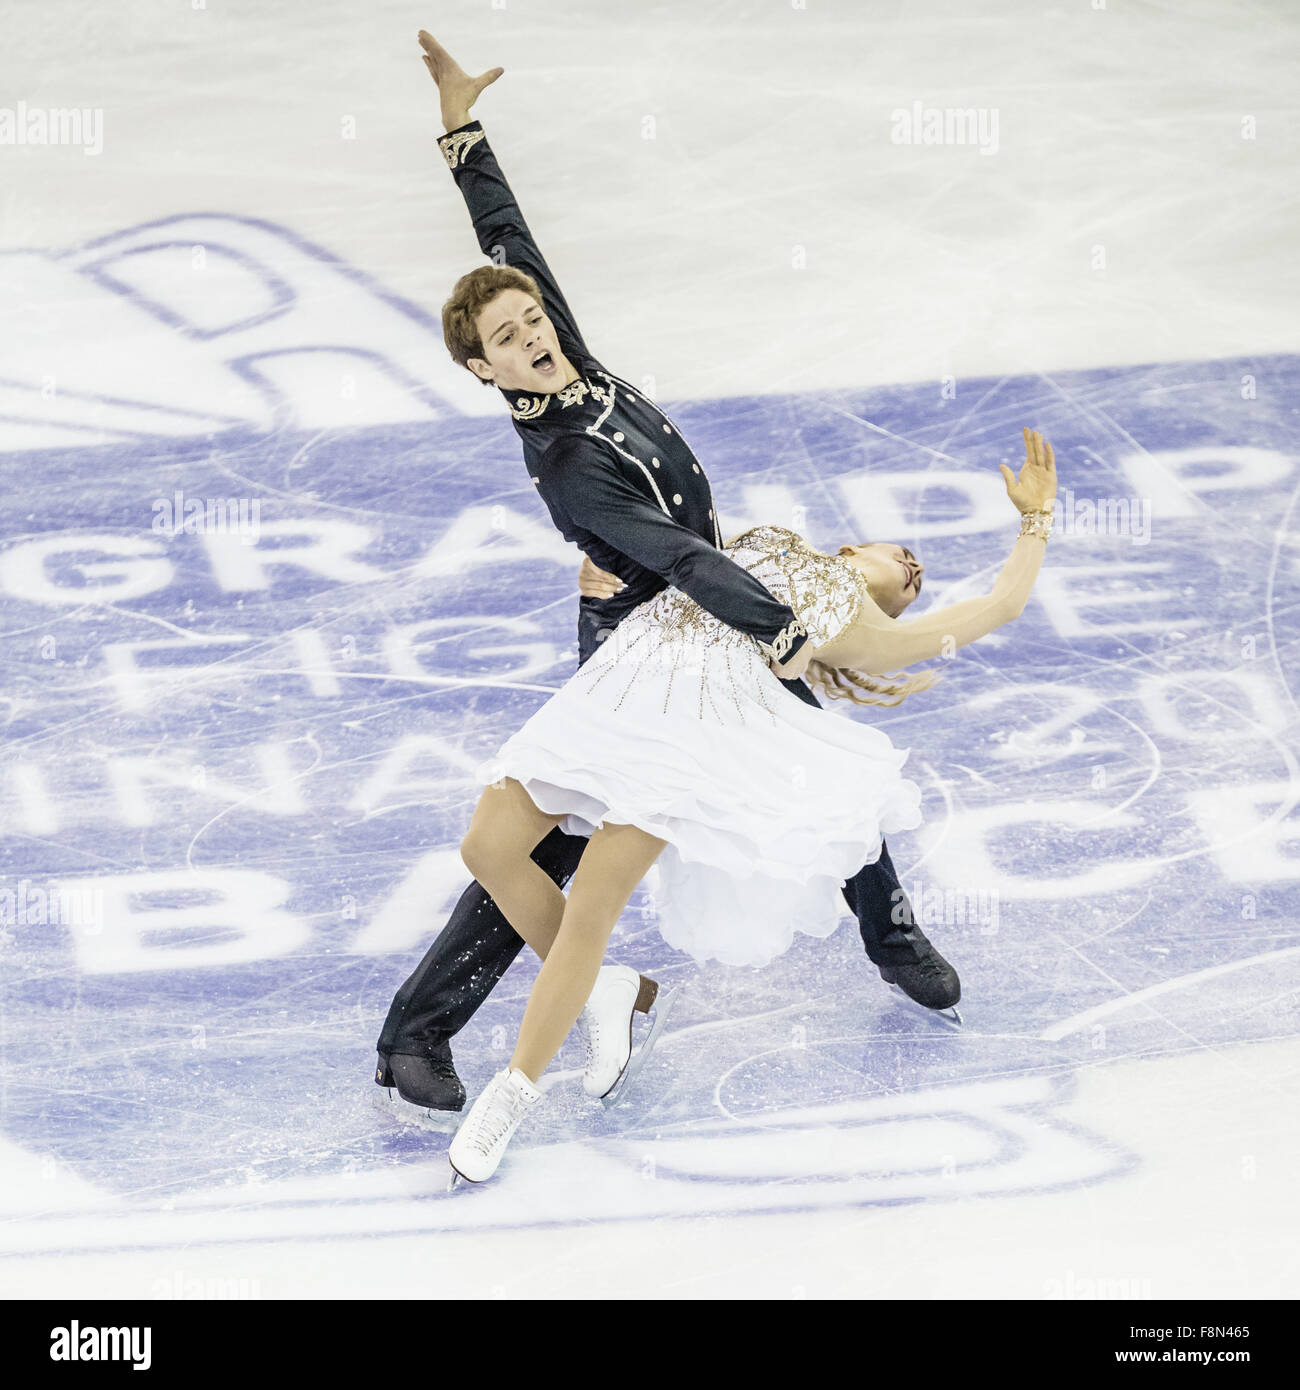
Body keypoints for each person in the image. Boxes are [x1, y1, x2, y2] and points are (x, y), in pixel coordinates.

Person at [374, 29, 961, 1119]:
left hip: (713, 610)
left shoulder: (574, 361)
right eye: (507, 335)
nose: (532, 334)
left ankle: (889, 932)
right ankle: (418, 1031)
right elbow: (679, 556)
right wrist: (781, 624)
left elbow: (508, 239)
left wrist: (461, 130)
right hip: (656, 636)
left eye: (533, 318)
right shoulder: (561, 463)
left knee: (807, 756)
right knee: (547, 842)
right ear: (482, 365)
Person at [448, 426, 1057, 1183]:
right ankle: (606, 988)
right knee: (489, 848)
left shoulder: (860, 629)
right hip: (619, 680)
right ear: (852, 546)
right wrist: (604, 560)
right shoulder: (773, 540)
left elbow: (1001, 605)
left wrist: (1034, 520)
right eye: (908, 558)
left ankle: (511, 1097)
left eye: (918, 586)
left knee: (592, 908)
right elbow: (665, 542)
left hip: (687, 727)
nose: (917, 569)